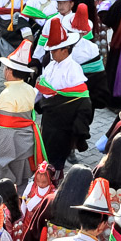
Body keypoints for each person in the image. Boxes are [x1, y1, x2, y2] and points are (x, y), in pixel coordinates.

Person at [37, 18, 94, 175]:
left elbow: (82, 98)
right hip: (48, 118)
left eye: (54, 50)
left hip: (63, 123)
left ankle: (54, 183)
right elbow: (43, 87)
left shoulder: (74, 70)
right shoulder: (51, 64)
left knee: (56, 158)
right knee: (45, 152)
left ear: (65, 49)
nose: (51, 53)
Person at [0, 41, 42, 191]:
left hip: (7, 144)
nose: (4, 71)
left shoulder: (6, 95)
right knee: (22, 180)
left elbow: (0, 126)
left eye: (5, 68)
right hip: (26, 142)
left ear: (10, 71)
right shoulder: (30, 90)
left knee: (2, 180)